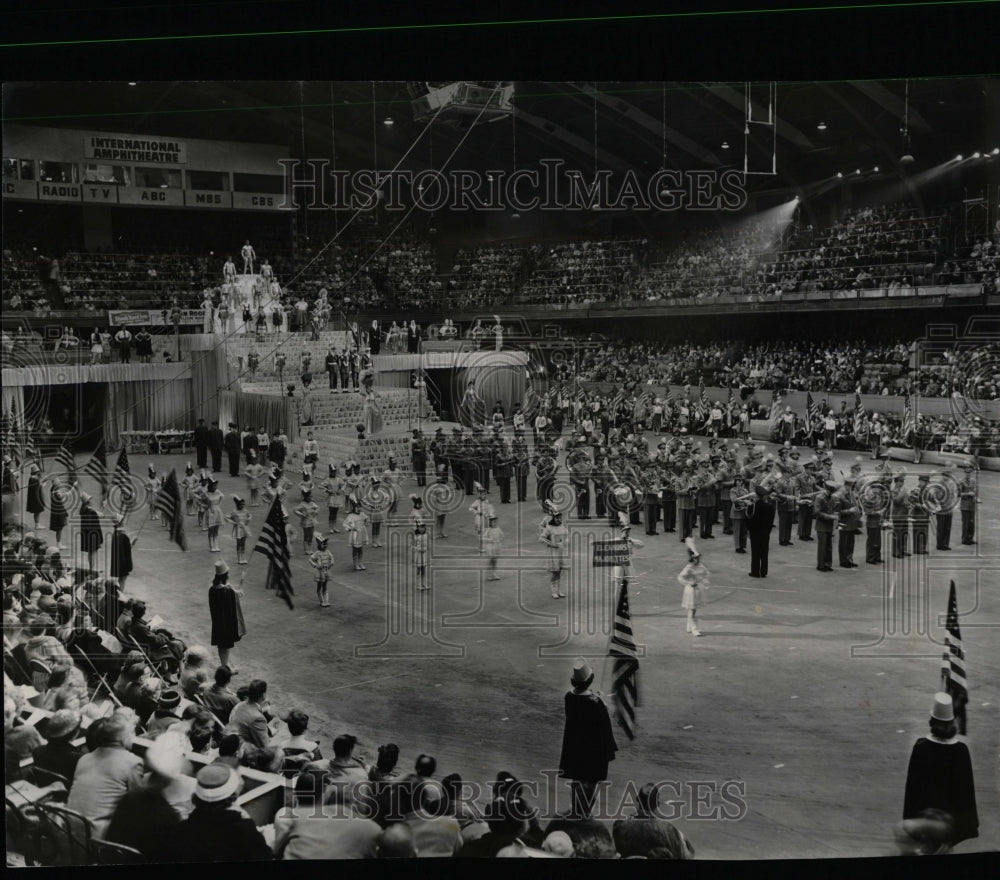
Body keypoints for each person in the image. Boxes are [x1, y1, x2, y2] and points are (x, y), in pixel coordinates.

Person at [902, 692, 979, 845]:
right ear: (952, 722)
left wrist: (909, 819)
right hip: (950, 825)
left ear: (932, 721)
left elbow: (912, 789)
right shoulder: (961, 751)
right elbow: (966, 793)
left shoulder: (921, 747)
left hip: (925, 822)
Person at [163, 764, 272, 862]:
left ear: (197, 796)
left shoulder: (181, 830)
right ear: (233, 796)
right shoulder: (244, 830)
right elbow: (264, 857)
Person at [67, 710, 145, 839]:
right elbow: (138, 804)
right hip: (98, 837)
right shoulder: (132, 762)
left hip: (68, 829)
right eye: (132, 733)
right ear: (125, 737)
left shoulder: (84, 758)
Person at [558, 659, 618, 818]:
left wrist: (597, 700)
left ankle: (576, 811)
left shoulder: (568, 698)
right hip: (593, 752)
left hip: (576, 748)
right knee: (590, 785)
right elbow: (604, 728)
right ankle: (583, 815)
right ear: (589, 680)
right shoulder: (596, 704)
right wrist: (602, 704)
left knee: (576, 783)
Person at [209, 558, 245, 672]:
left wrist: (234, 591)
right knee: (227, 647)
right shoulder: (227, 591)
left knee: (221, 646)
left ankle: (223, 664)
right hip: (227, 623)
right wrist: (238, 592)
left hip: (217, 622)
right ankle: (224, 669)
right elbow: (234, 603)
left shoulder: (212, 589)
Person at [678, 537, 710, 637]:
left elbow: (705, 573)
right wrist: (689, 582)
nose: (697, 559)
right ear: (692, 558)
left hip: (698, 590)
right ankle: (694, 628)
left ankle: (689, 625)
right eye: (695, 558)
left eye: (698, 558)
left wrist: (703, 581)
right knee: (691, 610)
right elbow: (680, 577)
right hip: (691, 590)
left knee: (694, 609)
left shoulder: (700, 566)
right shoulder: (689, 567)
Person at [540, 510, 569, 599]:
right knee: (554, 572)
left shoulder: (563, 527)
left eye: (560, 517)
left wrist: (565, 542)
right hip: (553, 553)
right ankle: (553, 591)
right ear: (553, 518)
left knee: (559, 571)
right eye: (557, 517)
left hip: (561, 552)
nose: (559, 519)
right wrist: (551, 544)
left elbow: (567, 536)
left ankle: (559, 590)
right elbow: (541, 538)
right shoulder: (549, 528)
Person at [79, 491, 103, 573]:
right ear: (88, 502)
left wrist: (96, 513)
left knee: (90, 553)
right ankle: (92, 569)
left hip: (87, 535)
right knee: (93, 553)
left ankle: (91, 568)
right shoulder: (90, 512)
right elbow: (96, 525)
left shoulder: (84, 510)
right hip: (93, 535)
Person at [108, 515, 134, 591]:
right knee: (122, 579)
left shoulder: (115, 533)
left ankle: (120, 593)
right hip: (123, 562)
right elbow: (127, 549)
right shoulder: (123, 536)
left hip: (118, 561)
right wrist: (133, 542)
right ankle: (120, 595)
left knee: (121, 579)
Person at [309, 532, 333, 607]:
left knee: (325, 586)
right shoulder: (317, 553)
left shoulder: (328, 552)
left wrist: (331, 562)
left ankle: (326, 601)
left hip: (326, 571)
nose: (325, 545)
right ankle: (322, 601)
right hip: (319, 572)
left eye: (326, 544)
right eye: (324, 544)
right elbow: (310, 559)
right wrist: (315, 565)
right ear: (320, 545)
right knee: (319, 586)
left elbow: (331, 557)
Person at [227, 495, 252, 565]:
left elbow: (250, 515)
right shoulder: (234, 511)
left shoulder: (245, 510)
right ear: (237, 504)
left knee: (243, 543)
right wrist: (234, 522)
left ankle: (243, 557)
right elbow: (228, 517)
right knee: (239, 543)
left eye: (243, 504)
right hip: (238, 529)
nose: (242, 506)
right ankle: (239, 559)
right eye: (241, 504)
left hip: (244, 528)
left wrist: (249, 519)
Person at [482, 515, 504, 581]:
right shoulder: (488, 530)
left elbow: (502, 535)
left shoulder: (498, 528)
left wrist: (500, 539)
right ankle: (489, 574)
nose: (495, 523)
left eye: (495, 521)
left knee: (495, 560)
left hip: (496, 546)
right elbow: (483, 538)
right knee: (491, 560)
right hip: (490, 547)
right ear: (490, 522)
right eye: (493, 522)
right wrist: (490, 540)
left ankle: (494, 573)